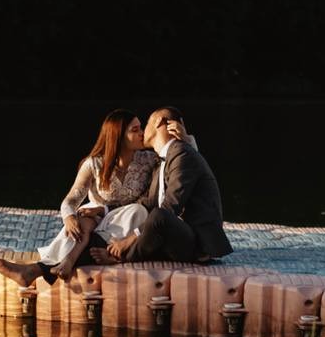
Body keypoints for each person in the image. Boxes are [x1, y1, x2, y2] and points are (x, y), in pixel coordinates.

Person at [0, 109, 157, 286]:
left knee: (138, 211)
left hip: (124, 224)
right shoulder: (94, 164)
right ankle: (44, 266)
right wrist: (69, 217)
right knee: (81, 220)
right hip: (94, 220)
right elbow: (70, 200)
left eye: (141, 128)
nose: (142, 133)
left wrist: (182, 137)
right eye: (135, 130)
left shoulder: (149, 160)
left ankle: (36, 269)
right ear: (118, 137)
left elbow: (153, 196)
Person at [98, 106, 232, 264]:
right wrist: (105, 210)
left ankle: (122, 257)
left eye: (147, 123)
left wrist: (130, 239)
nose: (143, 131)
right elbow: (148, 202)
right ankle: (100, 246)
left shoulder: (182, 154)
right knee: (145, 212)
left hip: (198, 242)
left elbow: (171, 206)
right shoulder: (161, 160)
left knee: (159, 216)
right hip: (174, 235)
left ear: (158, 122)